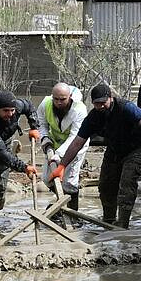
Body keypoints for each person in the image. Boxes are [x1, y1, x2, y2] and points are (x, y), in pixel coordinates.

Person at [54, 83, 141, 227]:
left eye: (103, 102)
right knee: (105, 185)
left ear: (110, 98)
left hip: (137, 148)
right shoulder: (93, 117)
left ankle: (123, 224)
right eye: (96, 103)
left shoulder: (125, 107)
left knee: (127, 185)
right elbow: (77, 142)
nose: (100, 106)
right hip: (114, 149)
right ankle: (108, 221)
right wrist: (62, 165)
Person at [0, 91, 42, 233]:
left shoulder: (17, 106)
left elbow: (29, 106)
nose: (10, 114)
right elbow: (3, 154)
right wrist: (24, 167)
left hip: (4, 148)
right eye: (5, 111)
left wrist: (34, 126)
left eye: (12, 110)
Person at [40, 82, 88, 210]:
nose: (59, 102)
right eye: (56, 99)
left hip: (76, 145)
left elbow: (75, 136)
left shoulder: (79, 109)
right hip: (54, 143)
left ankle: (73, 212)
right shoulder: (45, 104)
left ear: (70, 96)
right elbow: (42, 124)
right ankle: (61, 201)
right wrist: (45, 139)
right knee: (46, 178)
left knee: (69, 182)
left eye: (63, 99)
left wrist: (59, 156)